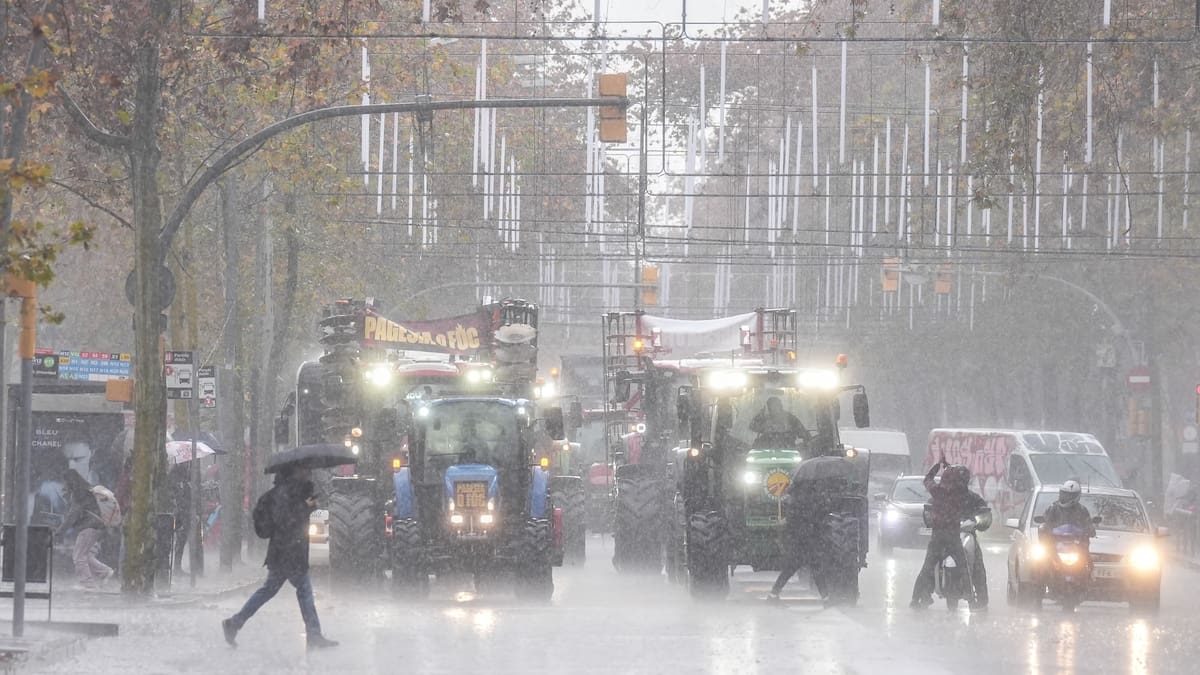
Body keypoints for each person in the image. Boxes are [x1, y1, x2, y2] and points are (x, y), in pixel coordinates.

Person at [222, 466, 338, 650]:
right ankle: (314, 635)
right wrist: (304, 507)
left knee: (269, 590)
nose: (308, 473)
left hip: (288, 552)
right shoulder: (283, 495)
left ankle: (234, 623)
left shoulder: (296, 492)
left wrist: (310, 507)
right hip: (287, 552)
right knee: (303, 591)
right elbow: (285, 521)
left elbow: (301, 522)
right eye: (305, 470)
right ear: (295, 471)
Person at [768, 445, 860, 604]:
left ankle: (777, 594)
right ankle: (823, 598)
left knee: (796, 568)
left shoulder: (798, 496)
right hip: (806, 538)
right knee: (810, 567)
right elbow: (813, 517)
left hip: (802, 538)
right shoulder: (809, 499)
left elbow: (797, 519)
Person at [910, 460, 989, 610]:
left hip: (939, 537)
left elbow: (927, 480)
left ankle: (915, 598)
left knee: (927, 567)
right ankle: (971, 600)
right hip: (953, 536)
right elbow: (980, 505)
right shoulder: (964, 496)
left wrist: (937, 466)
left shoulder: (938, 493)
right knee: (965, 567)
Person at [58, 470, 114, 591]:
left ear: (69, 482)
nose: (63, 485)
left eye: (64, 482)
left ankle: (88, 584)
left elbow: (72, 516)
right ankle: (104, 572)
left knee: (78, 555)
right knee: (85, 554)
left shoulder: (79, 495)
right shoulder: (88, 491)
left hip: (89, 527)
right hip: (98, 526)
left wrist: (60, 531)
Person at [168, 463, 192, 572]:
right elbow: (173, 496)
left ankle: (177, 566)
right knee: (176, 540)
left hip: (184, 514)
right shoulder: (174, 479)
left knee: (181, 540)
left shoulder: (185, 479)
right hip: (177, 514)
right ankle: (174, 566)